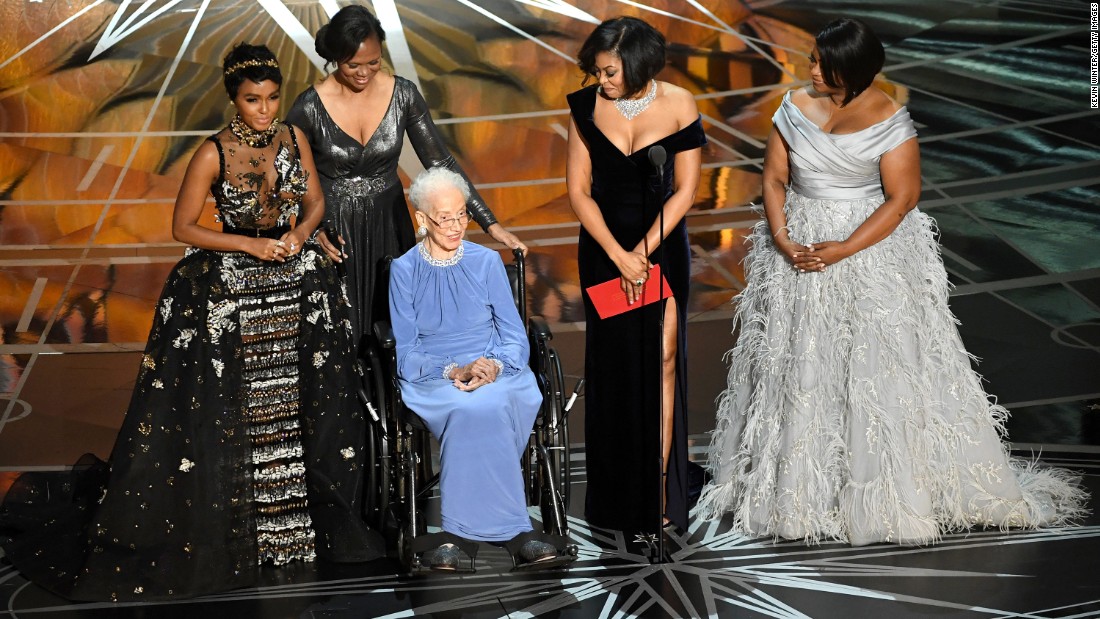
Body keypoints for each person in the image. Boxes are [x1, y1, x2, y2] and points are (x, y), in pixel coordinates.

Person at [0, 43, 378, 601]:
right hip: (235, 285)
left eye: (273, 98)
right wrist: (249, 246)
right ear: (234, 99)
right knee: (241, 415)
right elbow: (183, 227)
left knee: (298, 411)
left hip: (296, 283)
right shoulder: (212, 153)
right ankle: (243, 529)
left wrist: (298, 235)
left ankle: (294, 530)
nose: (266, 109)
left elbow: (315, 203)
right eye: (254, 100)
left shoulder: (295, 138)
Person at [695, 18, 1087, 545]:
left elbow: (901, 200)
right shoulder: (792, 107)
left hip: (866, 252)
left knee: (869, 365)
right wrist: (785, 239)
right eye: (810, 58)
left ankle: (876, 493)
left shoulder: (891, 121)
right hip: (797, 250)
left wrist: (843, 249)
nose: (808, 67)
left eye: (818, 62)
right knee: (800, 361)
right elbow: (772, 178)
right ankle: (801, 491)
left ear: (847, 70)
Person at [285, 4, 527, 352]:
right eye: (353, 65)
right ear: (336, 57)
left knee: (396, 321)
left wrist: (492, 224)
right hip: (335, 231)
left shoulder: (403, 94)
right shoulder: (308, 106)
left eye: (374, 62)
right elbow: (289, 178)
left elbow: (441, 162)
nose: (365, 73)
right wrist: (315, 228)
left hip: (390, 223)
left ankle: (399, 399)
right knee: (341, 329)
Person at [388, 167, 575, 572]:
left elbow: (514, 337)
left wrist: (492, 364)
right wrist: (454, 369)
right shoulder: (403, 271)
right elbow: (407, 353)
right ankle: (512, 532)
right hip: (434, 375)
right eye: (445, 218)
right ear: (421, 218)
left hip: (495, 367)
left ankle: (464, 536)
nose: (456, 226)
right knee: (471, 408)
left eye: (462, 216)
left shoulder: (486, 262)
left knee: (489, 402)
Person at [566, 16, 707, 536]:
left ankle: (661, 485)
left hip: (662, 246)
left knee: (664, 359)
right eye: (597, 72)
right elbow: (579, 192)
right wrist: (619, 256)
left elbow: (686, 191)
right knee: (618, 367)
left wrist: (642, 253)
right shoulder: (584, 108)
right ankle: (619, 492)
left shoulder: (679, 104)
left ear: (638, 64)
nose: (601, 81)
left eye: (609, 72)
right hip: (605, 249)